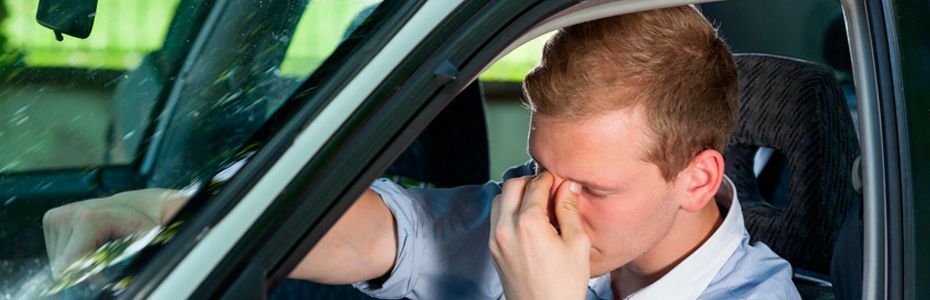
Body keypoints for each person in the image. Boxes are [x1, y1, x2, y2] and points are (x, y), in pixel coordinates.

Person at [43, 6, 801, 299]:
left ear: (697, 177)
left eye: (593, 188)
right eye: (541, 167)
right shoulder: (535, 207)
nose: (548, 206)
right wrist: (168, 213)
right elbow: (390, 230)